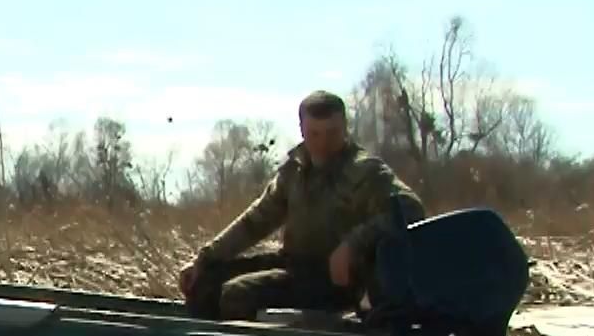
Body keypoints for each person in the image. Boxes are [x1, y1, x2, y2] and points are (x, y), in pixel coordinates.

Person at [177, 90, 424, 321]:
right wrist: (204, 258)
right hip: (295, 266)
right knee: (203, 283)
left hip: (335, 282)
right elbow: (255, 222)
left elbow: (410, 208)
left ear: (345, 128)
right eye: (315, 134)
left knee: (237, 294)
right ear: (302, 130)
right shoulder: (294, 170)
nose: (323, 143)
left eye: (332, 133)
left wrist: (353, 244)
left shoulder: (366, 171)